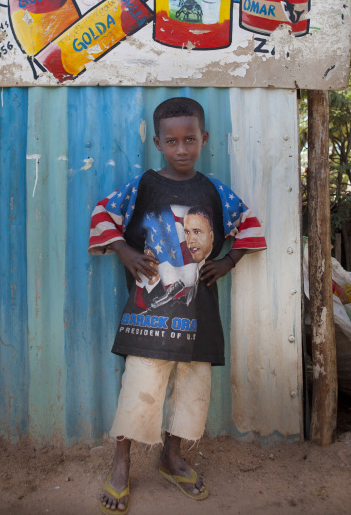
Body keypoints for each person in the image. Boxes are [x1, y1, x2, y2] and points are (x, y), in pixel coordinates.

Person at [89, 97, 267, 513]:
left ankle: (172, 456)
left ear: (204, 139)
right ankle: (122, 461)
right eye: (172, 141)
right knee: (140, 386)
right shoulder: (142, 186)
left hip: (197, 315)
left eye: (190, 139)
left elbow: (250, 226)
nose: (182, 148)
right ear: (157, 142)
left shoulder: (215, 192)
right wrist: (125, 253)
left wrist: (227, 260)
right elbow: (102, 215)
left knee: (193, 390)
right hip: (147, 315)